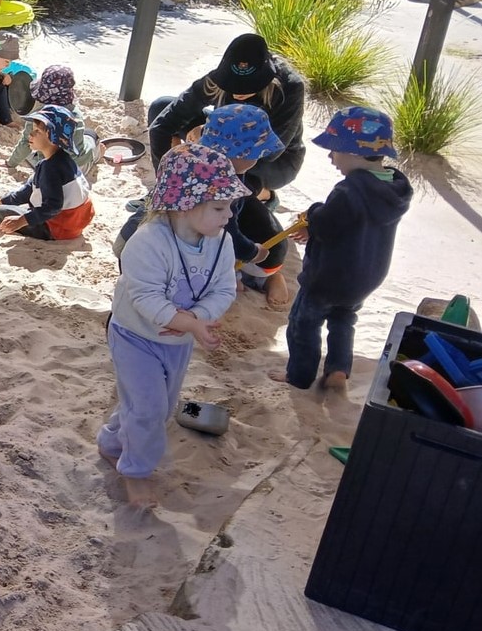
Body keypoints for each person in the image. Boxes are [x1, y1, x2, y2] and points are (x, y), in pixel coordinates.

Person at [97, 143, 245, 508]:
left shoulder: (220, 242)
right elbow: (146, 298)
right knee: (147, 409)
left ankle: (112, 440)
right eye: (219, 207)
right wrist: (188, 323)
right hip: (135, 337)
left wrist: (198, 319)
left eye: (229, 206)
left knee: (159, 408)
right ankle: (135, 473)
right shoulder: (147, 242)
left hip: (177, 342)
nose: (228, 216)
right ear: (184, 205)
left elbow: (225, 288)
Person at [272, 106, 412, 391]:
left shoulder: (348, 191)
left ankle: (299, 376)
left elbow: (326, 224)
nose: (331, 157)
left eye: (335, 150)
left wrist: (312, 215)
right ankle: (338, 370)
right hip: (365, 278)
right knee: (343, 321)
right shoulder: (395, 190)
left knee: (304, 324)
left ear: (355, 153)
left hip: (328, 278)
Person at [147, 33, 305, 203]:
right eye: (232, 85)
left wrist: (206, 131)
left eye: (248, 87)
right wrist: (167, 184)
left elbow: (271, 151)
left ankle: (266, 196)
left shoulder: (290, 86)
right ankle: (175, 181)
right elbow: (162, 125)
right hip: (221, 140)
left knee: (223, 188)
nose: (238, 92)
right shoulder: (217, 79)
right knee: (161, 106)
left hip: (272, 161)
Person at [196, 104, 292, 307]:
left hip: (264, 252)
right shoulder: (236, 174)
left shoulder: (229, 187)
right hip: (254, 240)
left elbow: (228, 236)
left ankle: (267, 279)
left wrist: (250, 253)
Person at [0, 105, 94, 241]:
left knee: (1, 213)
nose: (31, 135)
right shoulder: (63, 159)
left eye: (37, 132)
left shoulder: (51, 168)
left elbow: (53, 206)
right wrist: (0, 201)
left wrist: (20, 221)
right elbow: (29, 188)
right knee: (4, 206)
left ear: (52, 137)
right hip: (75, 223)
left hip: (58, 228)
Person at [6, 64, 99, 174]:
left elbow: (25, 143)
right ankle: (98, 154)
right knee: (91, 135)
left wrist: (10, 163)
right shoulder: (75, 114)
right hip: (77, 169)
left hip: (48, 168)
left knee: (30, 152)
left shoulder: (39, 115)